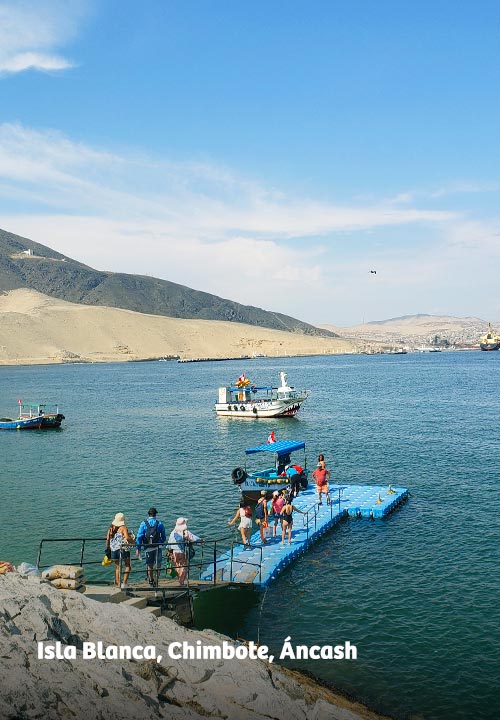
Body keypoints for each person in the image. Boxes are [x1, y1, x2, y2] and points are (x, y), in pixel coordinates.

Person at [168, 517, 204, 586]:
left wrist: (169, 552)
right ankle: (181, 583)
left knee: (178, 566)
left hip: (174, 552)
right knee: (185, 567)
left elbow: (169, 543)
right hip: (181, 551)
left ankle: (179, 581)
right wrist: (201, 540)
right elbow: (193, 538)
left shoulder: (173, 532)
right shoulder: (184, 532)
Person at [136, 507, 166, 586]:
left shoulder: (143, 523)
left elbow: (139, 536)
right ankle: (157, 580)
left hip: (147, 547)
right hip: (157, 547)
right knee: (158, 563)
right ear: (155, 514)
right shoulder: (159, 524)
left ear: (148, 514)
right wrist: (161, 543)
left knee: (150, 565)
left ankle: (151, 580)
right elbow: (163, 537)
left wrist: (138, 548)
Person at [106, 512, 134, 589]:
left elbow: (108, 540)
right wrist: (134, 542)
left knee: (117, 566)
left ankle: (118, 583)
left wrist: (108, 549)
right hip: (122, 549)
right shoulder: (123, 527)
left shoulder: (110, 529)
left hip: (114, 550)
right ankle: (124, 584)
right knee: (128, 566)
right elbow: (127, 538)